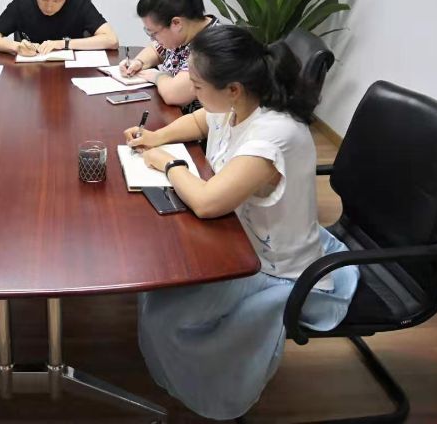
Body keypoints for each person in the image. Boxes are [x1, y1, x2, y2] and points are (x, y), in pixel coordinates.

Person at [124, 26, 358, 420]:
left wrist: (169, 163)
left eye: (198, 85)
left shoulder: (273, 135)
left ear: (232, 88)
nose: (193, 92)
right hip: (241, 236)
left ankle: (207, 391)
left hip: (275, 267)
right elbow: (202, 122)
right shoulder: (241, 104)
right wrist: (155, 136)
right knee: (160, 276)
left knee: (166, 315)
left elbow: (207, 203)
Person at [119, 0, 220, 112]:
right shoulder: (185, 32)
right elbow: (155, 50)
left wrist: (156, 76)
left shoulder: (212, 46)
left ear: (176, 23)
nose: (153, 39)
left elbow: (174, 94)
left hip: (197, 122)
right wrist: (139, 62)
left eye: (154, 33)